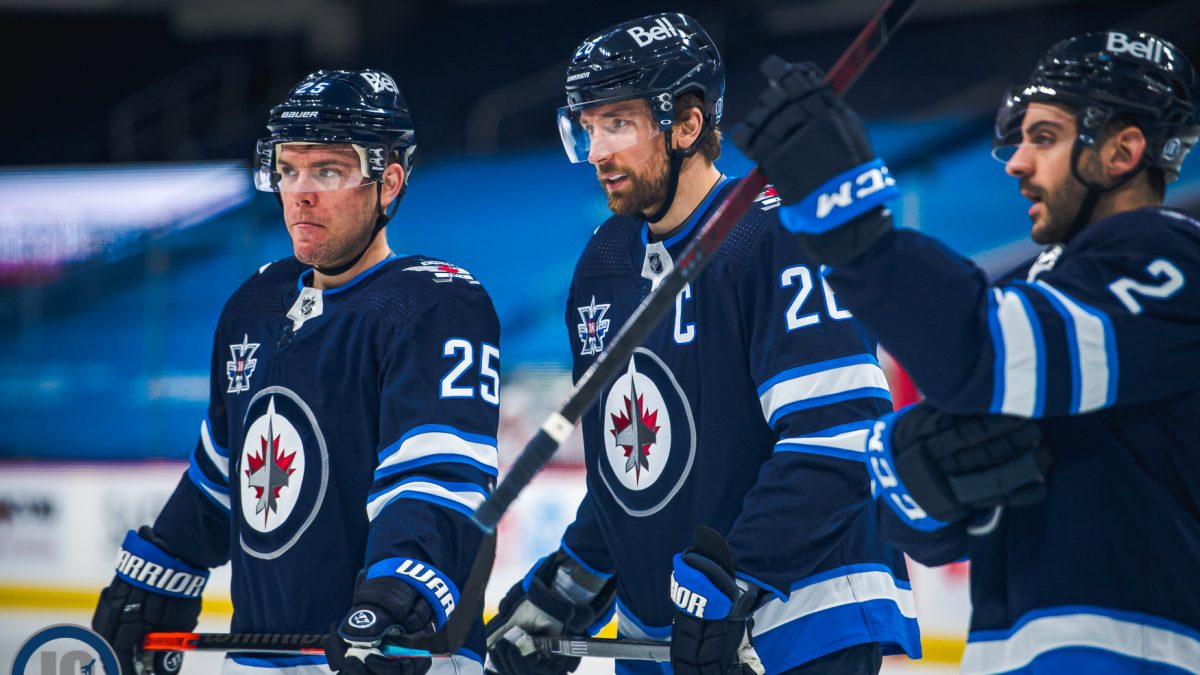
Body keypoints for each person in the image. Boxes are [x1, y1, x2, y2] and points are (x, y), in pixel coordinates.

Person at [733, 30, 1200, 672]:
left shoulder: (1171, 263)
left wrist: (850, 217)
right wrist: (920, 480)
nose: (1016, 163)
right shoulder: (1052, 294)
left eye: (1044, 138)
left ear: (1123, 150)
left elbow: (979, 351)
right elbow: (938, 532)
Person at [484, 13, 921, 675]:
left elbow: (838, 439)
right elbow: (632, 478)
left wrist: (734, 577)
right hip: (667, 641)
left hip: (795, 629)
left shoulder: (777, 235)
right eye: (588, 127)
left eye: (618, 123)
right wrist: (567, 586)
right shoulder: (604, 262)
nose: (597, 150)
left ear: (688, 125)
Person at [91, 69, 500, 675]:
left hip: (389, 654)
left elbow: (440, 477)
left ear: (388, 182)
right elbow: (225, 467)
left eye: (328, 171)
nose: (300, 193)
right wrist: (164, 566)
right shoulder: (254, 303)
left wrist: (400, 594)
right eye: (288, 170)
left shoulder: (434, 303)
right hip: (259, 655)